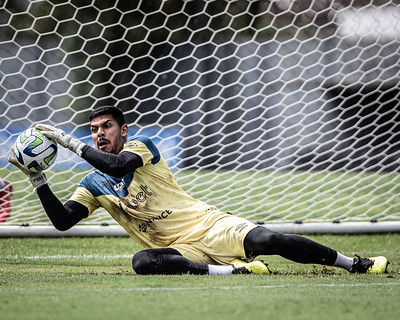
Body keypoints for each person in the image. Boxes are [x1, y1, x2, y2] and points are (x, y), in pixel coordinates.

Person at [9, 106, 389, 275]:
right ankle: (233, 272)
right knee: (144, 263)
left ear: (123, 130)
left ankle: (355, 263)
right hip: (178, 249)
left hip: (207, 224)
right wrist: (37, 177)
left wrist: (69, 142)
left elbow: (117, 165)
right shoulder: (91, 185)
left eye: (106, 127)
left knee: (270, 237)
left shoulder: (141, 147)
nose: (99, 134)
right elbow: (62, 222)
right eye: (92, 130)